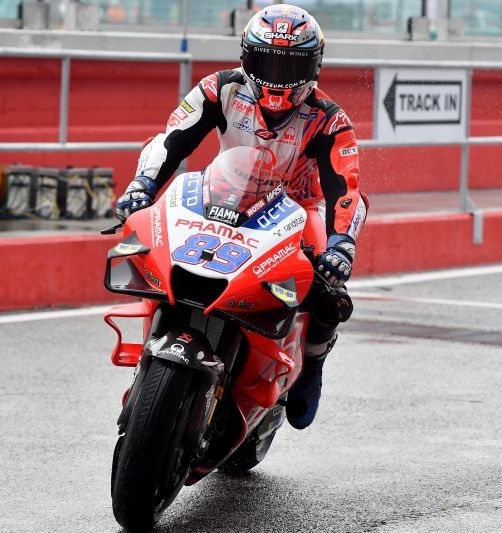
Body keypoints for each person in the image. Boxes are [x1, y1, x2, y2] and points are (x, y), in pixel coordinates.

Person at [116, 3, 368, 430]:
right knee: (157, 234)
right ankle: (155, 339)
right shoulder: (218, 89)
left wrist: (342, 244)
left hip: (298, 208)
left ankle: (313, 362)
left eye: (290, 66)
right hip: (225, 188)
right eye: (267, 62)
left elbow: (345, 187)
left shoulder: (330, 120)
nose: (277, 77)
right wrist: (143, 184)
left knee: (328, 286)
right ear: (246, 58)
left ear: (315, 67)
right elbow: (170, 142)